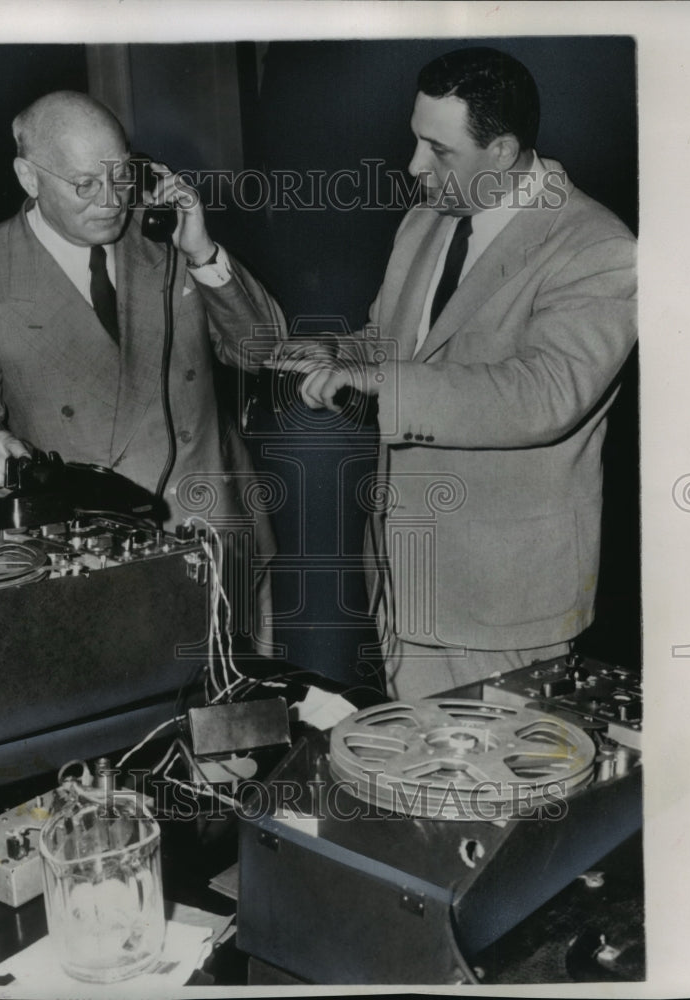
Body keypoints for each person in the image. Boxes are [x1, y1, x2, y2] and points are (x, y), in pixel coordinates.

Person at [292, 47, 637, 699]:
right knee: (416, 784)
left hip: (502, 602)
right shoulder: (428, 218)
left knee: (497, 794)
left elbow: (545, 393)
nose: (414, 166)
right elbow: (398, 343)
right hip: (405, 578)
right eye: (416, 140)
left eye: (438, 150)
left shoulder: (597, 248)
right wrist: (342, 357)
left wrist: (382, 385)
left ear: (502, 152)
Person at [0, 90, 286, 649]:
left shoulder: (164, 235)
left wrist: (203, 252)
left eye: (122, 175)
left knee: (243, 718)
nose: (112, 200)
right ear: (29, 177)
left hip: (218, 538)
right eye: (84, 184)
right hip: (88, 561)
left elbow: (263, 351)